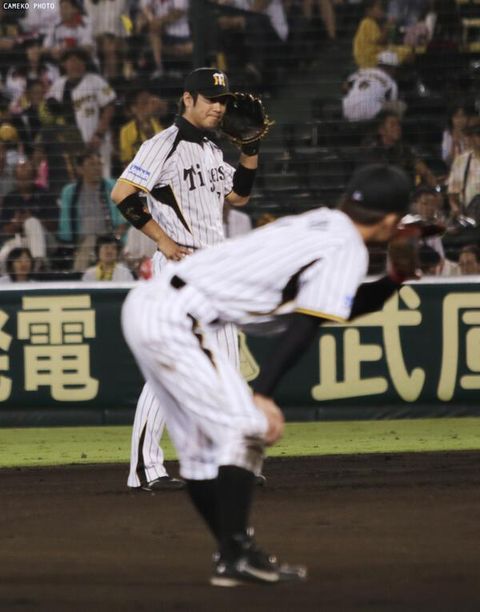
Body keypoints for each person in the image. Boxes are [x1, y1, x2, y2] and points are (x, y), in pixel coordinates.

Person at [121, 163, 414, 586]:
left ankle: (234, 555)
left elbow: (335, 305)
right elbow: (307, 326)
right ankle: (237, 552)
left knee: (201, 455)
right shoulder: (346, 245)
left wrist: (395, 279)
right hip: (178, 318)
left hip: (151, 307)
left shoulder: (324, 223)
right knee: (248, 427)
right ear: (388, 221)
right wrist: (263, 394)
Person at [111, 67, 262, 492]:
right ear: (187, 99)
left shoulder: (212, 149)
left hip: (216, 270)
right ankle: (145, 468)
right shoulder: (165, 144)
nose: (218, 107)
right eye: (210, 98)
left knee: (226, 371)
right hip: (183, 269)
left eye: (223, 100)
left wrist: (250, 150)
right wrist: (161, 239)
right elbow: (122, 193)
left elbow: (239, 196)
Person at [58, 150, 127, 271]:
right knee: (91, 240)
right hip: (82, 241)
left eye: (99, 164)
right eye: (92, 164)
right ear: (80, 169)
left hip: (109, 238)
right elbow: (65, 225)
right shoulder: (69, 192)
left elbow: (123, 216)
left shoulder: (113, 186)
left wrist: (118, 235)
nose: (97, 168)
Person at [360, 109, 437, 187]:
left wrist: (431, 179)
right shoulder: (372, 149)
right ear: (381, 130)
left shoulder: (402, 146)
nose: (398, 128)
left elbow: (419, 166)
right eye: (393, 125)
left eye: (398, 125)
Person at [342, 49, 406, 122]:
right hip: (370, 112)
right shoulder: (391, 83)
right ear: (391, 67)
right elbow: (391, 101)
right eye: (395, 68)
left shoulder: (362, 71)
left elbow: (344, 87)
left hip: (347, 110)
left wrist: (357, 93)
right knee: (401, 106)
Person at [353, 0, 412, 69]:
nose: (382, 11)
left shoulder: (370, 23)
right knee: (406, 52)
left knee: (404, 50)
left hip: (371, 55)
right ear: (369, 11)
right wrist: (388, 25)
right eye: (379, 8)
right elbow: (380, 41)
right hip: (371, 57)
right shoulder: (367, 22)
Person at [119, 86, 165, 166]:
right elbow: (126, 162)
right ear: (133, 108)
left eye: (150, 101)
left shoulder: (160, 123)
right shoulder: (126, 131)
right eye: (144, 103)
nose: (149, 106)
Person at [447, 117, 480, 223]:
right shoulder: (461, 161)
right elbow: (453, 196)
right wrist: (457, 212)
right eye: (477, 135)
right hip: (470, 218)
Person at [441, 104, 473, 169]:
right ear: (451, 119)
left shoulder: (473, 133)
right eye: (456, 116)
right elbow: (447, 161)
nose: (460, 120)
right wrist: (454, 143)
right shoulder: (448, 134)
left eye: (463, 116)